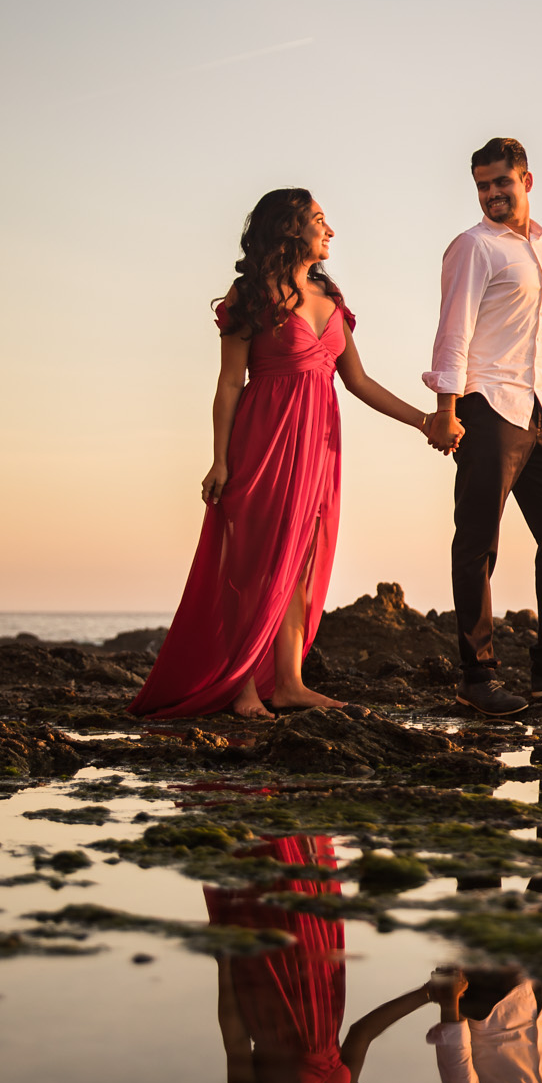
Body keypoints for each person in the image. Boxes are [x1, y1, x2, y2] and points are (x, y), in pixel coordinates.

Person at [132, 188, 441, 721]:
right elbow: (230, 384)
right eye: (320, 220)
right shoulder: (250, 293)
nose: (331, 230)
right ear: (291, 227)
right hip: (265, 440)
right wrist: (219, 460)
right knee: (254, 564)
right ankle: (243, 687)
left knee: (300, 561)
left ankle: (290, 683)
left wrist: (424, 422)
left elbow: (359, 381)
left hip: (319, 447)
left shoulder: (330, 297)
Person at [424, 138, 542, 717]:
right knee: (478, 542)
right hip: (488, 407)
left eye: (501, 183)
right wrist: (446, 409)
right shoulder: (473, 247)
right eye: (482, 186)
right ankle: (477, 675)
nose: (491, 195)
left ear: (526, 181)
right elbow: (453, 332)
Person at [207, 836, 437, 1083]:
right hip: (325, 988)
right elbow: (361, 1035)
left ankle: (252, 800)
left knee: (275, 879)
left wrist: (225, 961)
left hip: (273, 984)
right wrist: (426, 994)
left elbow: (235, 1040)